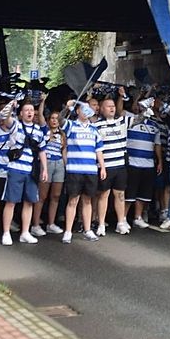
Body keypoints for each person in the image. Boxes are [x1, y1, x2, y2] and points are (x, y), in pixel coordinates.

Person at [0, 100, 48, 245]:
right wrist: (10, 105)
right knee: (11, 201)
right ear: (21, 113)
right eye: (26, 110)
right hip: (15, 169)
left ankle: (25, 232)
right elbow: (3, 117)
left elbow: (42, 150)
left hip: (31, 170)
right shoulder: (16, 125)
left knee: (30, 201)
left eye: (32, 110)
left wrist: (44, 169)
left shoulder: (38, 131)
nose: (30, 112)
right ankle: (6, 233)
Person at [61, 100, 106, 244]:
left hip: (90, 170)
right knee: (73, 200)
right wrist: (67, 107)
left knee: (87, 200)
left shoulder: (94, 129)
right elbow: (61, 120)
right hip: (74, 169)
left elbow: (98, 149)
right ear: (78, 111)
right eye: (83, 108)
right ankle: (68, 231)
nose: (86, 111)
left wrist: (102, 167)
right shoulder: (71, 125)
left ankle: (87, 230)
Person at [93, 88, 130, 235]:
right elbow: (97, 149)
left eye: (113, 106)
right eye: (108, 106)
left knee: (120, 194)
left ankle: (121, 222)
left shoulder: (122, 122)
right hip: (106, 166)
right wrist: (101, 166)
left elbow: (138, 118)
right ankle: (101, 223)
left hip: (120, 165)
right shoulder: (97, 126)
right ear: (101, 109)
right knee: (104, 195)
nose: (112, 108)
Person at [125, 98, 162, 230]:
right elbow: (119, 110)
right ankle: (123, 218)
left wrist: (160, 162)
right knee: (129, 193)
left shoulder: (155, 125)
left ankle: (137, 217)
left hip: (149, 164)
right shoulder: (130, 119)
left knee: (143, 194)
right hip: (132, 162)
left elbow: (157, 145)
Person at [41, 109, 67, 234]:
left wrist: (66, 167)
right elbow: (40, 116)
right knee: (42, 196)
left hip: (59, 163)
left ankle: (51, 224)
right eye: (52, 118)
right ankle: (35, 223)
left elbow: (64, 152)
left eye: (57, 119)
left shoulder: (62, 134)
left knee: (56, 196)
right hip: (47, 162)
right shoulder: (44, 131)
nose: (55, 121)